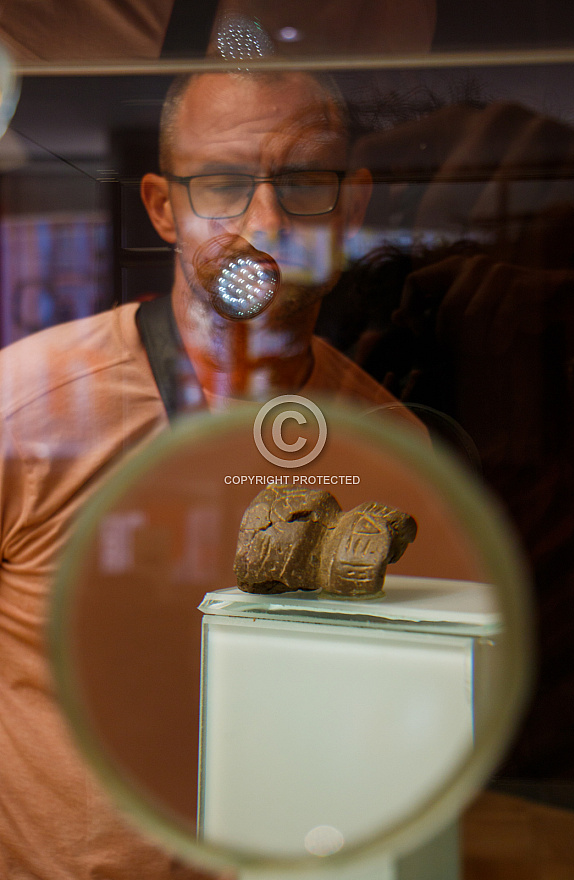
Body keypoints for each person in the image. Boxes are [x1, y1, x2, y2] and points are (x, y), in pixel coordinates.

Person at [0, 70, 425, 880]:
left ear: (352, 206)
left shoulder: (388, 446)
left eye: (303, 185)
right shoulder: (26, 409)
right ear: (163, 207)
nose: (265, 223)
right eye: (224, 185)